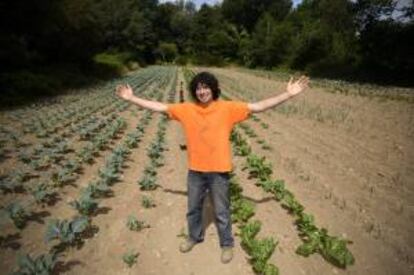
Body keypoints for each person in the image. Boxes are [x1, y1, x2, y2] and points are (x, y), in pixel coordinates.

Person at [116, 71, 309, 264]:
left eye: (206, 87)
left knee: (221, 211)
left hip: (219, 171)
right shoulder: (186, 110)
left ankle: (226, 243)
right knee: (193, 208)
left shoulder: (228, 109)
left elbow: (258, 106)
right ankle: (193, 236)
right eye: (198, 88)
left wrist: (288, 95)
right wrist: (132, 98)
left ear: (213, 89)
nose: (202, 91)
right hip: (196, 170)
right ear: (195, 91)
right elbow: (159, 107)